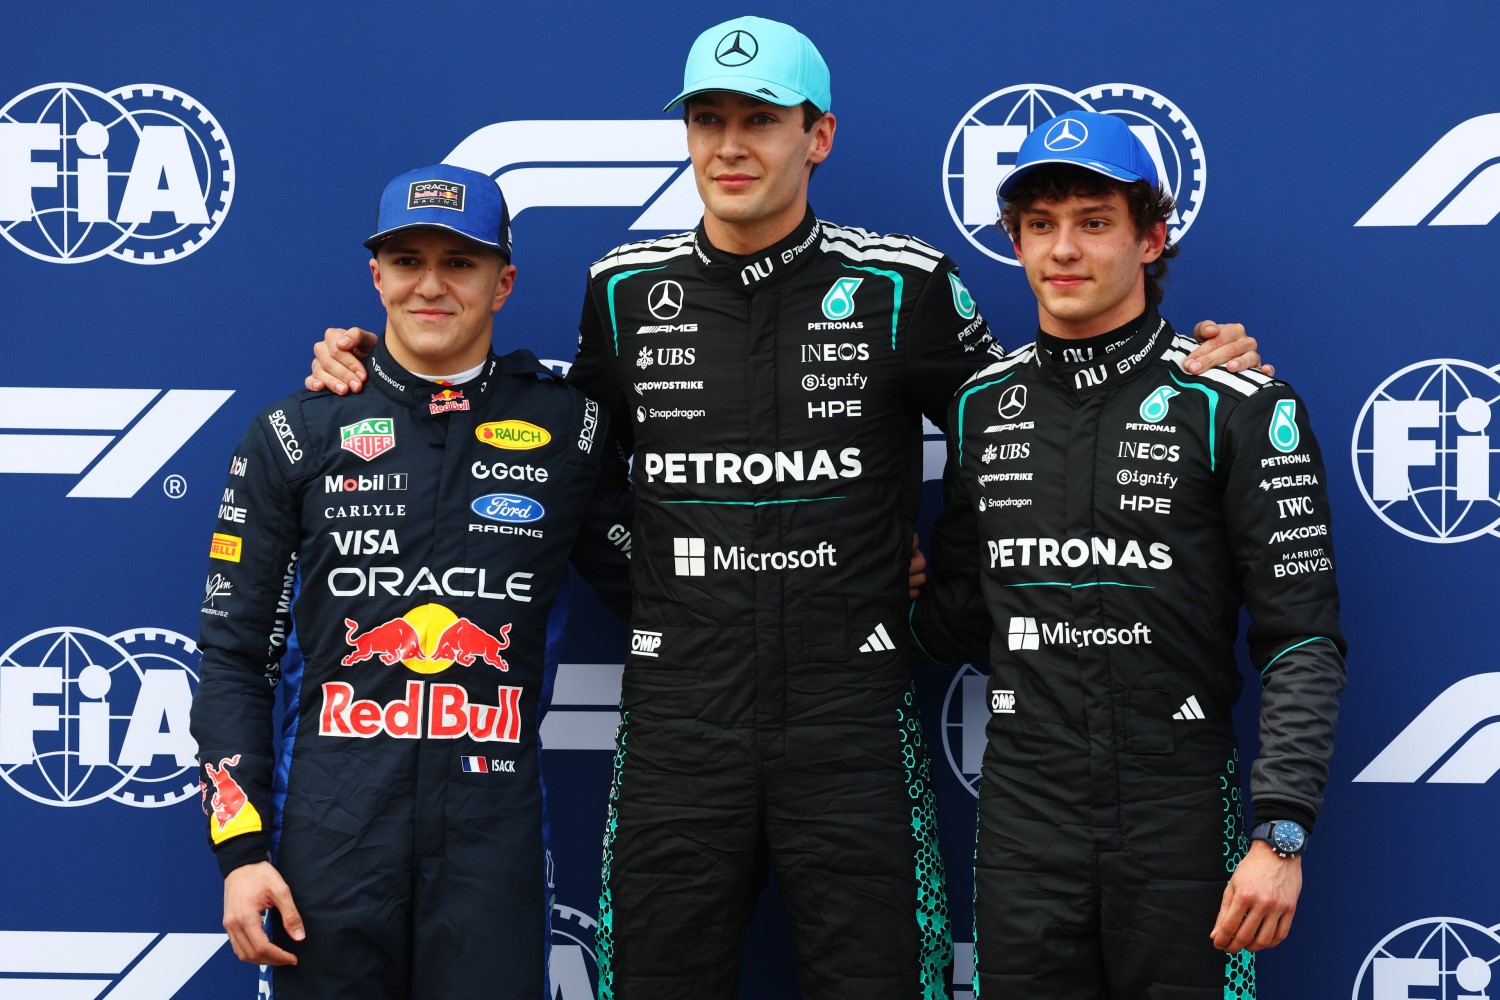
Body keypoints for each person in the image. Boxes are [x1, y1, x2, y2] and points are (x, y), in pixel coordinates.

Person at [306, 19, 1263, 999]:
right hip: (682, 723)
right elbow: (565, 456)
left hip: (851, 723)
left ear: (819, 136)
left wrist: (1177, 362)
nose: (730, 145)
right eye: (708, 119)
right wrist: (375, 374)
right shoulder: (625, 290)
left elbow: (1028, 423)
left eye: (761, 119)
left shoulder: (903, 284)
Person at [912, 111, 1346, 998]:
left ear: (1151, 237)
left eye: (1093, 221)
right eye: (1041, 225)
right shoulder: (981, 407)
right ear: (1017, 241)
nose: (1063, 249)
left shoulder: (1238, 401)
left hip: (1178, 807)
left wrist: (1281, 834)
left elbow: (1303, 640)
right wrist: (889, 585)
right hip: (1025, 812)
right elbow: (961, 618)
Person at [189, 163, 633, 1000]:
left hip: (489, 838)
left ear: (502, 283)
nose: (431, 286)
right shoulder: (294, 432)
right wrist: (241, 853)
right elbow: (232, 657)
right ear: (376, 276)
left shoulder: (569, 428)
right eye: (407, 261)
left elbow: (661, 584)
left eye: (459, 263)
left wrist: (842, 559)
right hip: (328, 833)